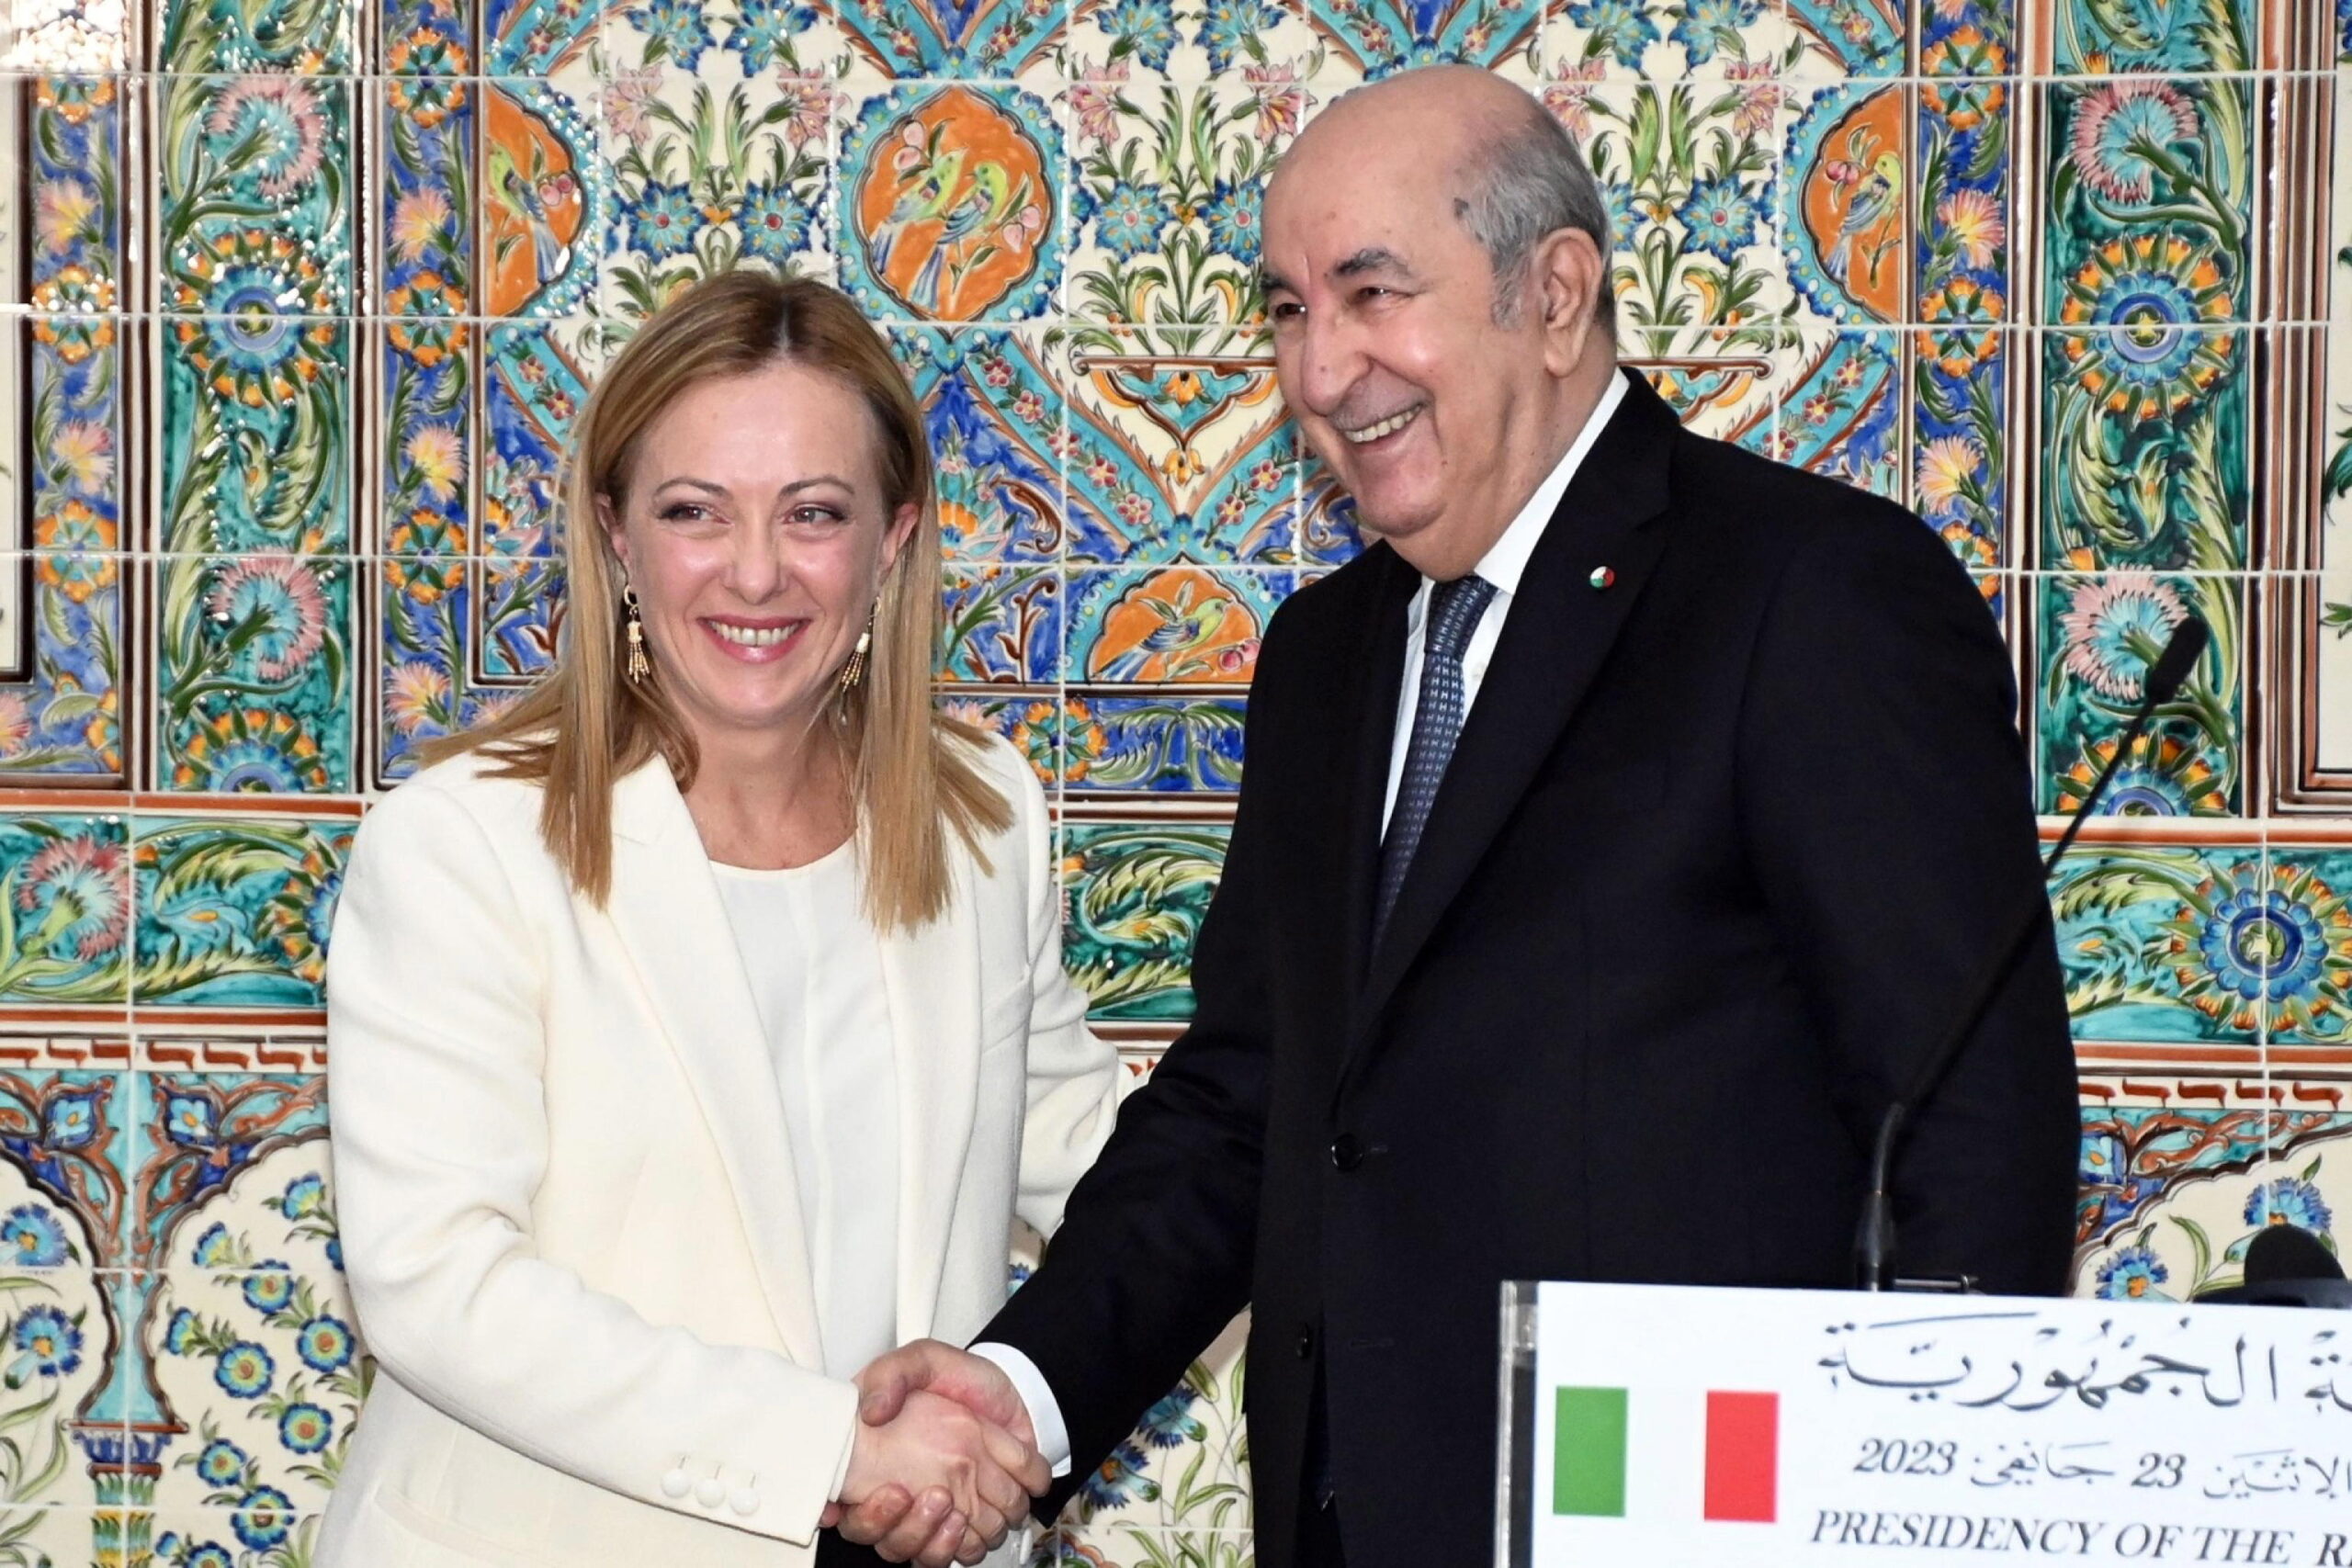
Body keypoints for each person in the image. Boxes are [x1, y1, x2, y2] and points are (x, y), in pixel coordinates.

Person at [838, 65, 2080, 1568]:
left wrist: (1929, 1511)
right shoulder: (1326, 656)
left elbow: (1970, 1129)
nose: (1321, 370)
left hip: (1687, 1527)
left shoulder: (1808, 593)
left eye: (1373, 294)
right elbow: (1249, 1109)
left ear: (1554, 295)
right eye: (1290, 310)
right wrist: (1022, 1397)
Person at [319, 270, 1116, 1568]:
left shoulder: (982, 818)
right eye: (695, 511)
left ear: (894, 539)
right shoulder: (462, 843)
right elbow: (436, 1283)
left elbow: (1097, 1160)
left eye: (814, 513)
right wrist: (836, 1450)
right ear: (616, 536)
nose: (756, 571)